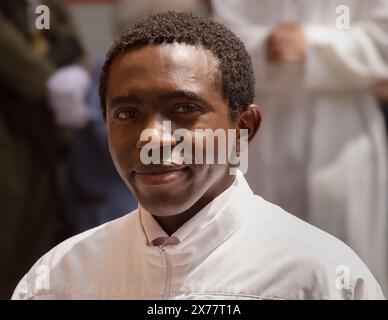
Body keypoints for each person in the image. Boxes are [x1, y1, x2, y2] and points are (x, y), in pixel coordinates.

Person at [12, 11, 384, 300]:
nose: (152, 138)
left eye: (183, 109)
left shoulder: (320, 276)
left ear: (244, 128)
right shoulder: (61, 278)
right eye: (127, 114)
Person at [212, 0, 388, 294]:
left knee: (347, 259)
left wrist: (314, 46)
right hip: (263, 129)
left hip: (344, 131)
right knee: (261, 255)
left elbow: (382, 39)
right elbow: (223, 36)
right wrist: (265, 46)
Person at [0, 0, 89, 299]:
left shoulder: (39, 8)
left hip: (43, 132)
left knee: (37, 242)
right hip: (10, 125)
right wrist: (44, 78)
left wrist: (76, 72)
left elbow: (60, 37)